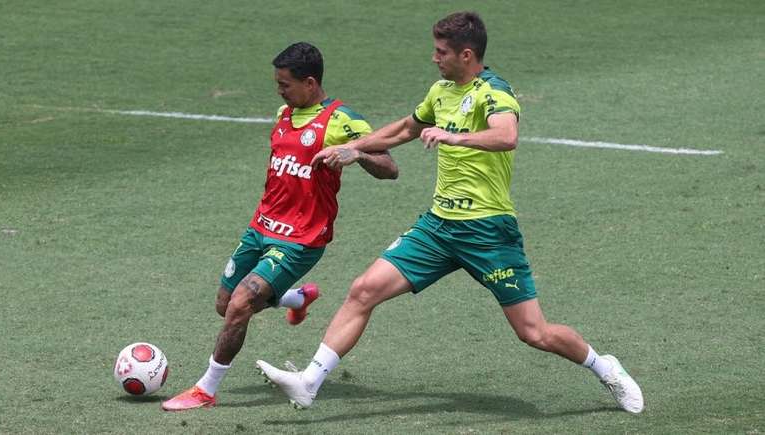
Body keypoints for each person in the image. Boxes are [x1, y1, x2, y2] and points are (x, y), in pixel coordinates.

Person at [256, 12, 644, 414]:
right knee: (363, 290)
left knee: (533, 332)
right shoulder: (441, 91)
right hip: (438, 228)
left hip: (488, 231)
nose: (434, 58)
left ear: (466, 54)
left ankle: (606, 368)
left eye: (441, 52)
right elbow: (406, 128)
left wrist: (454, 136)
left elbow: (506, 135)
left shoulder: (494, 91)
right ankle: (309, 382)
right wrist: (357, 149)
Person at [162, 42, 399, 411]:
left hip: (302, 238)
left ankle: (205, 390)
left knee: (241, 304)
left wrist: (358, 153)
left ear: (310, 82)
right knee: (225, 305)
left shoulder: (341, 120)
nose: (279, 91)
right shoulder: (283, 113)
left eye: (285, 84)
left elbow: (390, 169)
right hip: (261, 227)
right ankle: (295, 297)